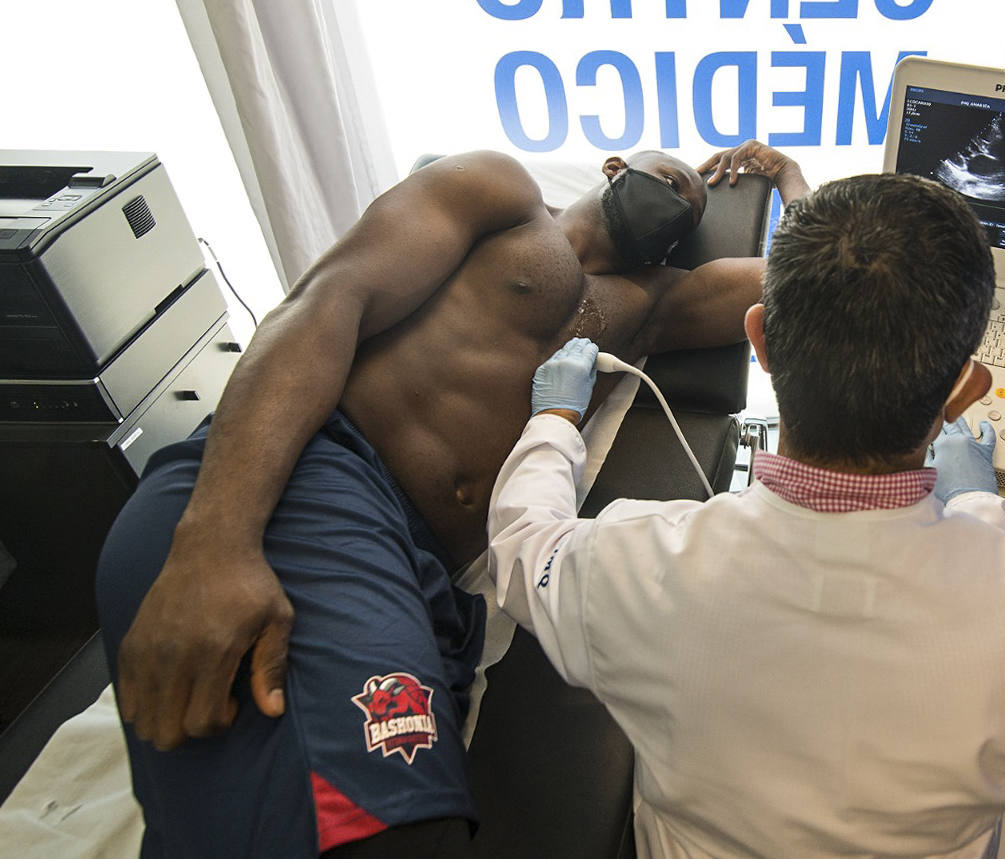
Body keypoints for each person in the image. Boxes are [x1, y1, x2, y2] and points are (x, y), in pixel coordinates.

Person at [95, 141, 809, 855]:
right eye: (672, 180)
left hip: (422, 574)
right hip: (319, 481)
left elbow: (825, 279)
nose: (680, 204)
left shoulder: (654, 302)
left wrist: (787, 176)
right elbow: (327, 300)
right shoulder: (498, 192)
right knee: (397, 827)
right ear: (616, 168)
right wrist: (217, 540)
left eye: (691, 213)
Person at [488, 173, 1005, 858]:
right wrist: (982, 507)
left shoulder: (634, 566)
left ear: (759, 340)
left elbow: (520, 546)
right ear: (965, 392)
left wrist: (555, 419)